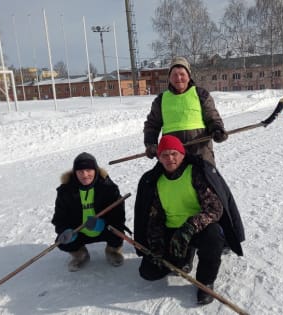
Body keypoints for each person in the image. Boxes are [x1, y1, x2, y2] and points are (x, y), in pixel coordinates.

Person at [134, 135, 245, 305]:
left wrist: (189, 228)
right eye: (164, 155)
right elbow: (155, 218)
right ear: (159, 157)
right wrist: (156, 246)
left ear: (182, 153)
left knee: (214, 235)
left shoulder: (196, 173)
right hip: (172, 232)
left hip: (197, 229)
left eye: (174, 154)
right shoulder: (155, 180)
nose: (170, 158)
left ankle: (205, 282)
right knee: (148, 272)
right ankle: (184, 255)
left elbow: (215, 208)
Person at [143, 56, 228, 166]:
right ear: (169, 78)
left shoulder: (200, 94)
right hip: (173, 155)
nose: (178, 78)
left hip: (201, 151)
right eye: (174, 74)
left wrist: (217, 130)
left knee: (205, 182)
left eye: (182, 74)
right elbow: (152, 125)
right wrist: (151, 144)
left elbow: (212, 118)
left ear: (188, 76)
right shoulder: (161, 100)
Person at [52, 152, 127, 272]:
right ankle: (80, 254)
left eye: (88, 170)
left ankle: (112, 251)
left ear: (95, 170)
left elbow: (119, 216)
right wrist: (64, 230)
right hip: (78, 232)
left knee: (118, 232)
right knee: (62, 241)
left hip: (103, 229)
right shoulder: (65, 191)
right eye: (80, 171)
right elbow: (59, 218)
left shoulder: (108, 188)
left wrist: (103, 223)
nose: (85, 175)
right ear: (75, 172)